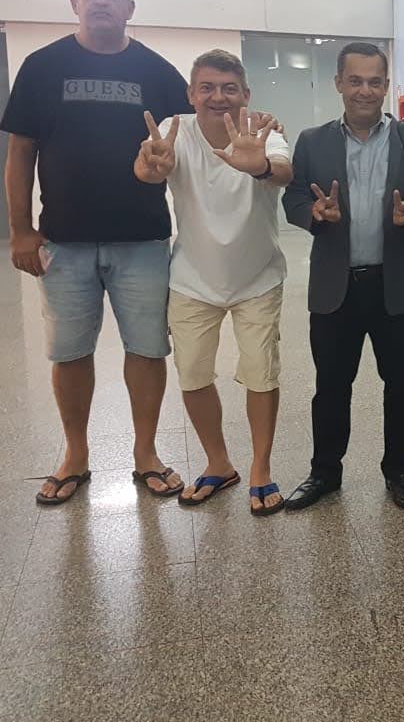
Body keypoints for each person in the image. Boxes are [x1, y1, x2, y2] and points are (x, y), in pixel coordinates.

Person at [0, 0, 191, 505]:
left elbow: (193, 141)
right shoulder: (43, 66)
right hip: (64, 240)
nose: (102, 2)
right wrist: (20, 229)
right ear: (74, 2)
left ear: (130, 8)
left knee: (147, 350)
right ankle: (76, 454)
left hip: (142, 239)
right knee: (70, 353)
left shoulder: (156, 70)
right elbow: (20, 152)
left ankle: (146, 453)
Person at [282, 42, 404, 510]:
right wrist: (313, 214)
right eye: (355, 80)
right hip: (335, 286)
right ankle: (325, 473)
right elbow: (293, 198)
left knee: (401, 386)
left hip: (397, 284)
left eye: (375, 81)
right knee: (331, 387)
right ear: (338, 83)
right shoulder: (313, 141)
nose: (365, 91)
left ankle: (398, 471)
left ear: (386, 85)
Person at [133, 49, 293, 516]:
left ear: (245, 94)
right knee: (194, 374)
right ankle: (218, 463)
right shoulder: (173, 130)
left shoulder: (264, 132)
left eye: (229, 88)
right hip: (193, 279)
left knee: (262, 374)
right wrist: (150, 167)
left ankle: (260, 468)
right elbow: (148, 168)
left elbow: (284, 172)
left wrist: (259, 165)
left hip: (257, 277)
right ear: (191, 93)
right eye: (207, 87)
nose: (218, 97)